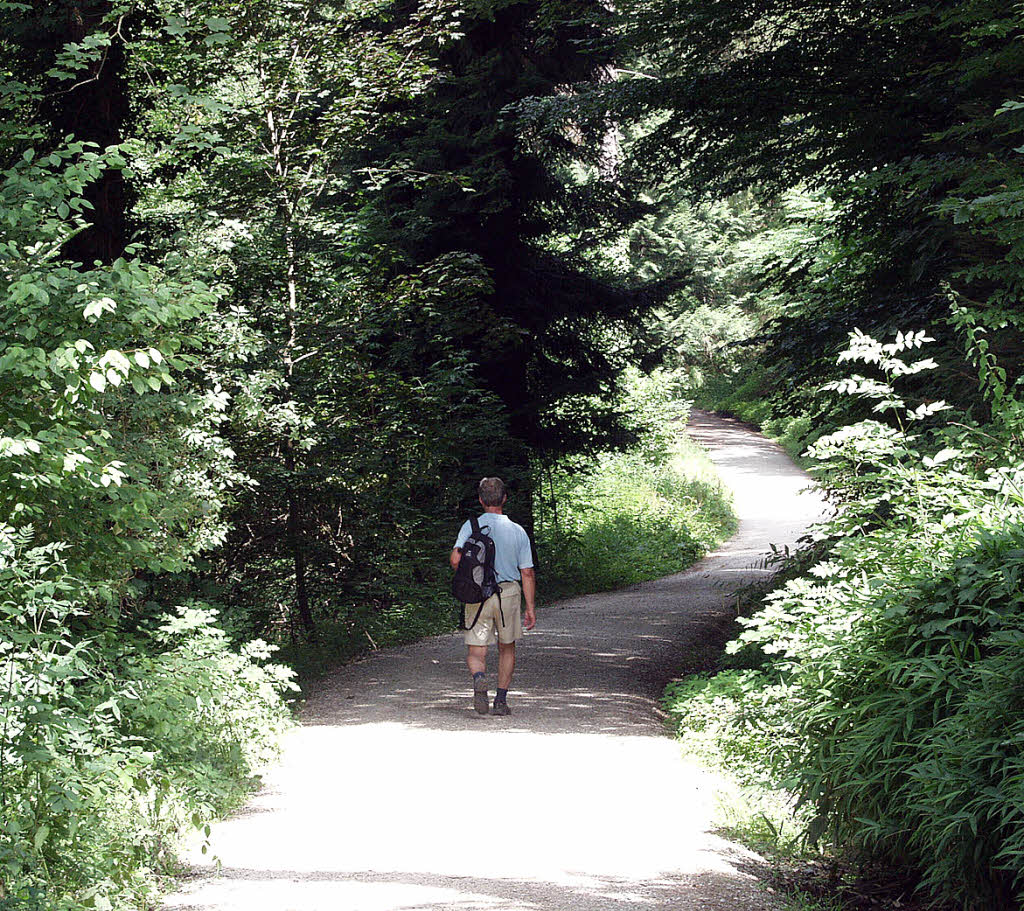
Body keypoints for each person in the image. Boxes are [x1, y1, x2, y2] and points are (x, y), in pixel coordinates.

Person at [450, 477, 536, 716]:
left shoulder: (471, 526)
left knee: (476, 651)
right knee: (506, 648)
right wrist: (530, 607)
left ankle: (479, 678)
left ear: (480, 499)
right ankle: (500, 701)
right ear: (505, 498)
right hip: (508, 593)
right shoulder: (518, 531)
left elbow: (456, 560)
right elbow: (527, 572)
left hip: (477, 594)